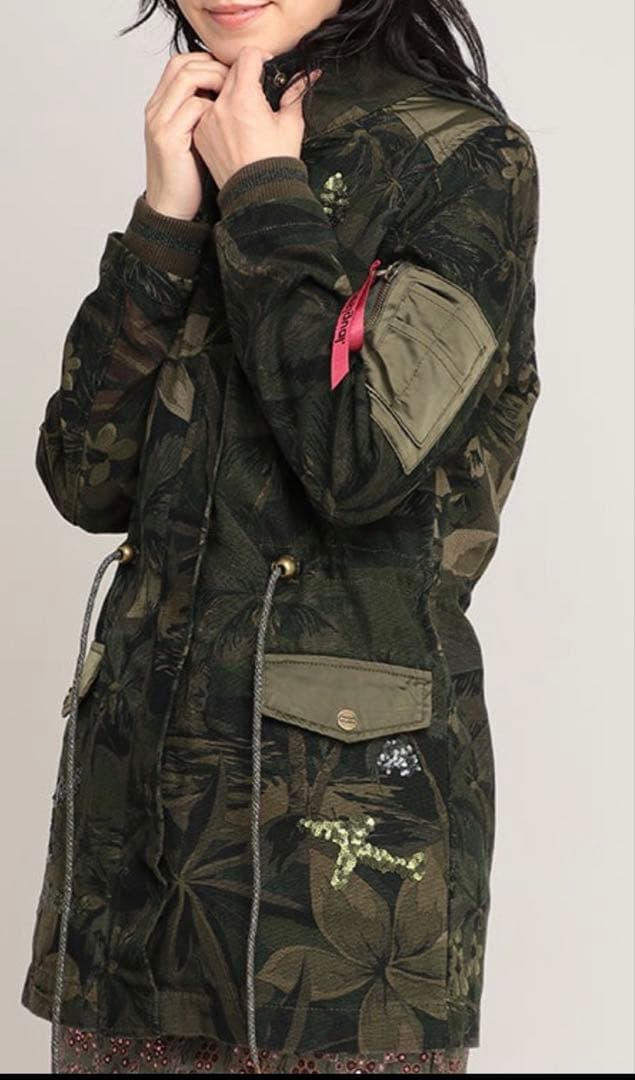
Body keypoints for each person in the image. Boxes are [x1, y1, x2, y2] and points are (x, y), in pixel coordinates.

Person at [21, 0, 541, 1074]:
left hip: (336, 866)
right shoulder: (216, 140)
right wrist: (166, 217)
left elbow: (360, 459)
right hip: (135, 838)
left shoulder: (462, 159)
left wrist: (262, 189)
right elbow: (84, 478)